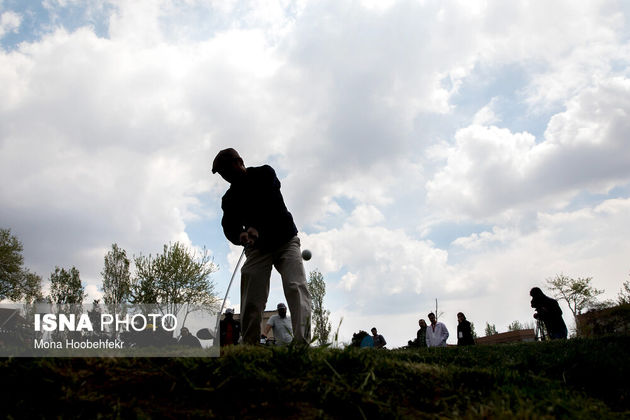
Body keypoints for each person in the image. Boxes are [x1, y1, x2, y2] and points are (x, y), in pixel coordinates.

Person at [212, 148, 312, 345]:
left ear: (239, 162)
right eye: (223, 175)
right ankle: (250, 345)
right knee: (251, 296)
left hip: (286, 241)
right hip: (258, 250)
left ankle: (302, 344)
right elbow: (229, 225)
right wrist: (239, 235)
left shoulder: (265, 174)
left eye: (227, 171)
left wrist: (257, 227)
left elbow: (271, 201)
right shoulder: (229, 198)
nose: (226, 177)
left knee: (295, 286)